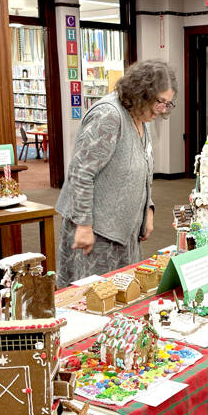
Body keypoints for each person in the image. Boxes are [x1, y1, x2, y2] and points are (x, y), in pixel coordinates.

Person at [55, 59, 177, 287]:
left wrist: (147, 210)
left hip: (123, 230)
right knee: (91, 300)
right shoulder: (109, 116)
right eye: (160, 102)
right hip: (95, 232)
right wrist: (83, 224)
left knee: (122, 295)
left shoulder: (141, 117)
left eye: (168, 104)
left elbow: (143, 168)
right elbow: (81, 173)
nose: (162, 110)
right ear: (141, 93)